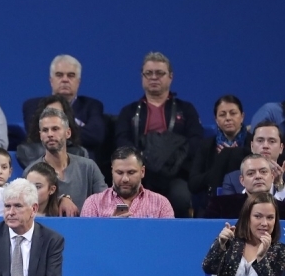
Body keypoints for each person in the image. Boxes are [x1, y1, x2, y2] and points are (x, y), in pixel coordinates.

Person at [114, 52, 204, 218]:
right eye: (148, 73)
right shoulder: (129, 111)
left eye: (159, 73)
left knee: (180, 198)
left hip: (177, 173)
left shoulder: (186, 109)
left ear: (170, 77)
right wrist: (143, 158)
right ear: (142, 77)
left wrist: (172, 158)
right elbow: (122, 141)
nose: (153, 77)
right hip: (140, 174)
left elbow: (196, 141)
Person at [0, 178, 64, 276]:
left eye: (18, 206)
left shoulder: (51, 240)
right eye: (7, 206)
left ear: (34, 209)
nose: (11, 212)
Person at [23, 107, 106, 214]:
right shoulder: (30, 172)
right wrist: (60, 199)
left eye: (55, 129)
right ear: (40, 136)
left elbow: (106, 203)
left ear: (68, 133)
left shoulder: (89, 167)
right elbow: (28, 210)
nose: (50, 134)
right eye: (45, 130)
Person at [22, 55, 105, 158]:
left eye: (71, 75)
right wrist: (75, 129)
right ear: (51, 80)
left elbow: (95, 136)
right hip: (44, 162)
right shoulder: (33, 105)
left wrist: (53, 132)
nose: (65, 79)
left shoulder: (91, 106)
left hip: (82, 163)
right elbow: (35, 134)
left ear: (78, 82)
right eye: (59, 75)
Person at [203, 192, 285, 276]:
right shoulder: (229, 242)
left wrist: (261, 259)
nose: (264, 223)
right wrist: (220, 246)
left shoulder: (280, 251)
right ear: (247, 217)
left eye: (270, 217)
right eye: (258, 216)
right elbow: (208, 268)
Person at [189, 96, 251, 204]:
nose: (228, 118)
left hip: (249, 203)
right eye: (222, 115)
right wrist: (221, 161)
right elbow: (193, 184)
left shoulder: (254, 143)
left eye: (233, 113)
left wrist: (236, 155)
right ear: (216, 120)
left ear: (242, 117)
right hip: (212, 202)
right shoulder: (206, 145)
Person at [81, 146, 174, 218]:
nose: (125, 179)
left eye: (131, 172)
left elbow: (168, 236)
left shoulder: (161, 204)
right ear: (112, 171)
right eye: (119, 173)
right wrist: (110, 226)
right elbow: (86, 236)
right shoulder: (94, 203)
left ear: (142, 172)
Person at [204, 154, 285, 219]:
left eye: (263, 172)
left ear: (272, 177)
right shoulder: (220, 205)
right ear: (242, 180)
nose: (258, 176)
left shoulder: (283, 209)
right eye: (251, 173)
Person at [19, 94, 89, 167]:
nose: (50, 134)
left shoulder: (80, 152)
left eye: (58, 113)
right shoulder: (26, 151)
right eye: (48, 113)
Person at [219, 121, 284, 195]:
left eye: (272, 141)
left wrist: (280, 186)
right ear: (252, 146)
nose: (265, 146)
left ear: (281, 148)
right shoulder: (232, 179)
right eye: (260, 140)